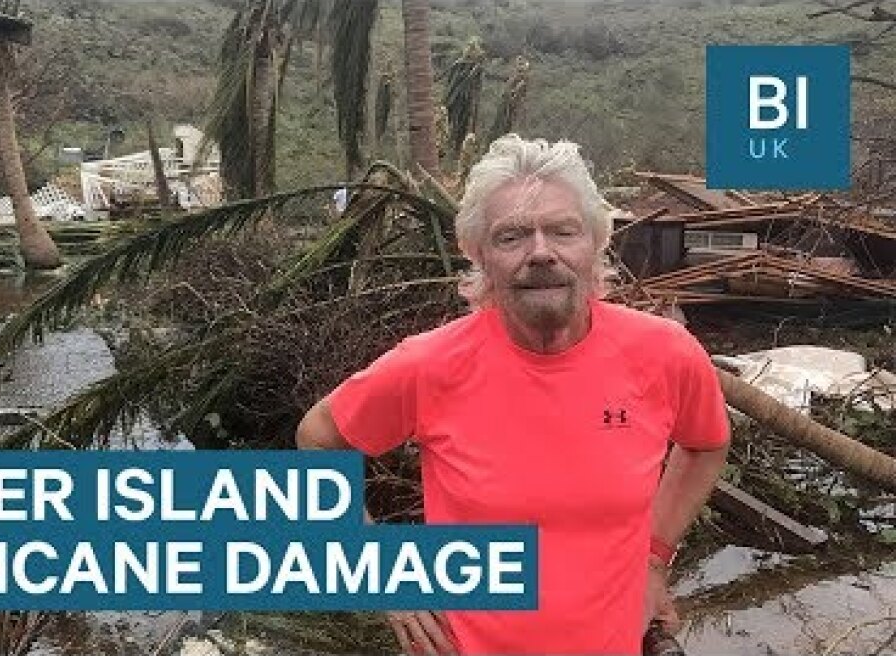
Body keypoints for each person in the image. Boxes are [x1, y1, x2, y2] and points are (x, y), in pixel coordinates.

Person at [295, 134, 730, 656]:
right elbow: (316, 442)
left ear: (594, 243)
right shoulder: (428, 365)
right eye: (512, 237)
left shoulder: (665, 354)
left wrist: (654, 559)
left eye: (563, 231)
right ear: (478, 254)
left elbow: (706, 444)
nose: (541, 252)